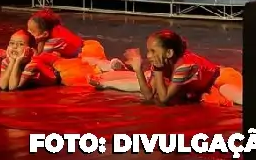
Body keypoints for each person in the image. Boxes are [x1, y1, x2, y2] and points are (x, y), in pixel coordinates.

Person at [88, 30, 243, 106]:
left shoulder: (184, 66)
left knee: (232, 94)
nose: (149, 55)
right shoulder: (162, 62)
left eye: (153, 51)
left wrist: (158, 72)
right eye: (148, 51)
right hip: (194, 86)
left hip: (218, 80)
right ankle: (106, 81)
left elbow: (163, 100)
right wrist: (138, 70)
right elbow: (149, 95)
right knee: (149, 77)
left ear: (169, 53)